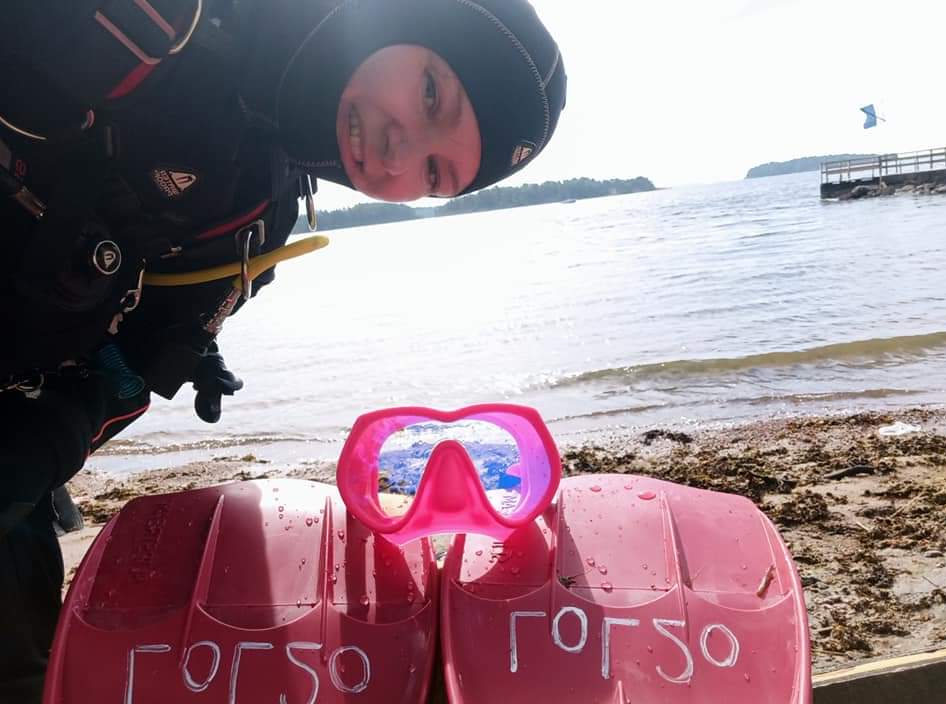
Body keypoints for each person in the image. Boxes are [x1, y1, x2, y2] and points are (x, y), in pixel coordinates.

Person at [0, 0, 567, 699]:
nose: (398, 154)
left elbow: (131, 361)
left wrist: (54, 433)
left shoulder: (254, 217)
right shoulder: (164, 25)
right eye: (430, 95)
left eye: (434, 174)